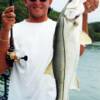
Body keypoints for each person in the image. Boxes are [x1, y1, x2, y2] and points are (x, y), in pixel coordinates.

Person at [0, 0, 99, 100]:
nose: (37, 2)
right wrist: (4, 30)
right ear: (25, 1)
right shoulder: (12, 29)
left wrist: (85, 14)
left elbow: (79, 50)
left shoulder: (61, 28)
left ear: (50, 1)